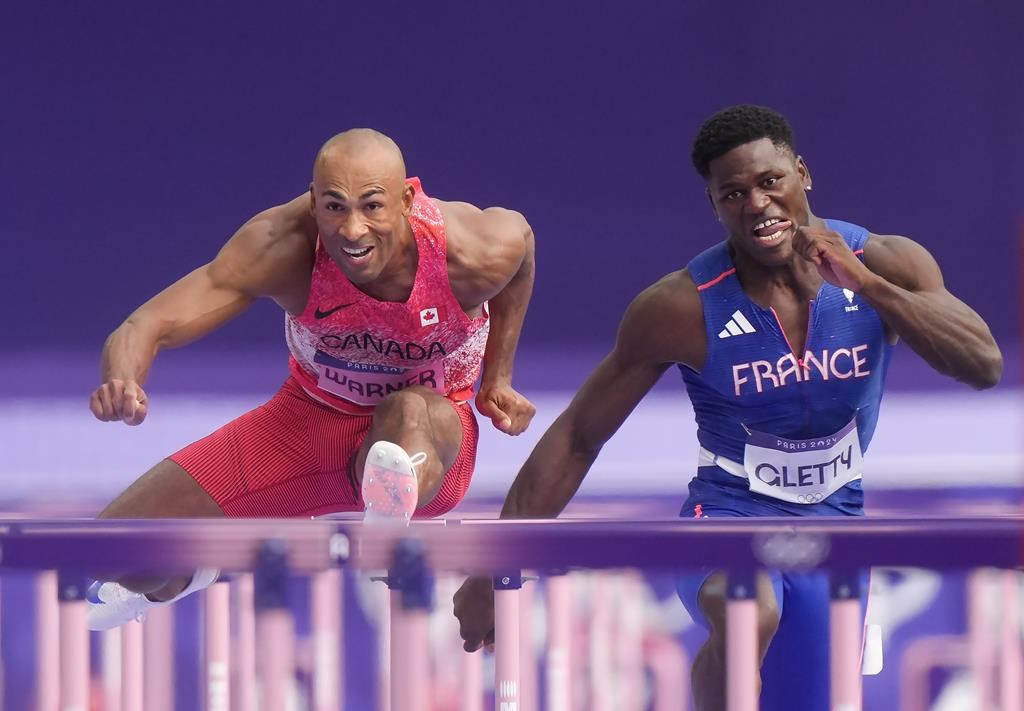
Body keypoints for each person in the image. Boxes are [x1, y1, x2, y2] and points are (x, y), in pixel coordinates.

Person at [453, 105, 1002, 710]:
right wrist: (493, 562)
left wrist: (868, 287)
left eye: (771, 183)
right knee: (746, 607)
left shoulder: (887, 263)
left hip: (837, 524)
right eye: (734, 193)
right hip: (725, 515)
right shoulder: (679, 306)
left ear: (802, 174)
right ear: (715, 206)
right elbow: (580, 435)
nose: (758, 204)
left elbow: (982, 365)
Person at [87, 128, 537, 629]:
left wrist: (497, 377)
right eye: (335, 207)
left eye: (372, 206)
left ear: (407, 199)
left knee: (407, 410)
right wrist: (122, 378)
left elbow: (522, 251)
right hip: (304, 424)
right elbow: (145, 324)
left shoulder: (470, 251)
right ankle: (182, 575)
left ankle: (389, 518)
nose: (353, 230)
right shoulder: (282, 245)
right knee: (115, 550)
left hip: (431, 436)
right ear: (312, 201)